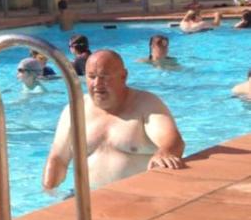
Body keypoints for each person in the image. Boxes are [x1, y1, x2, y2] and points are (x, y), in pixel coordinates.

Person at [43, 49, 186, 192]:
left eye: (105, 77)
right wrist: (49, 192)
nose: (97, 83)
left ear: (123, 76)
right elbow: (58, 159)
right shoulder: (75, 109)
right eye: (92, 77)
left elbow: (173, 141)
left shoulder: (146, 104)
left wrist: (166, 152)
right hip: (87, 198)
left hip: (138, 197)